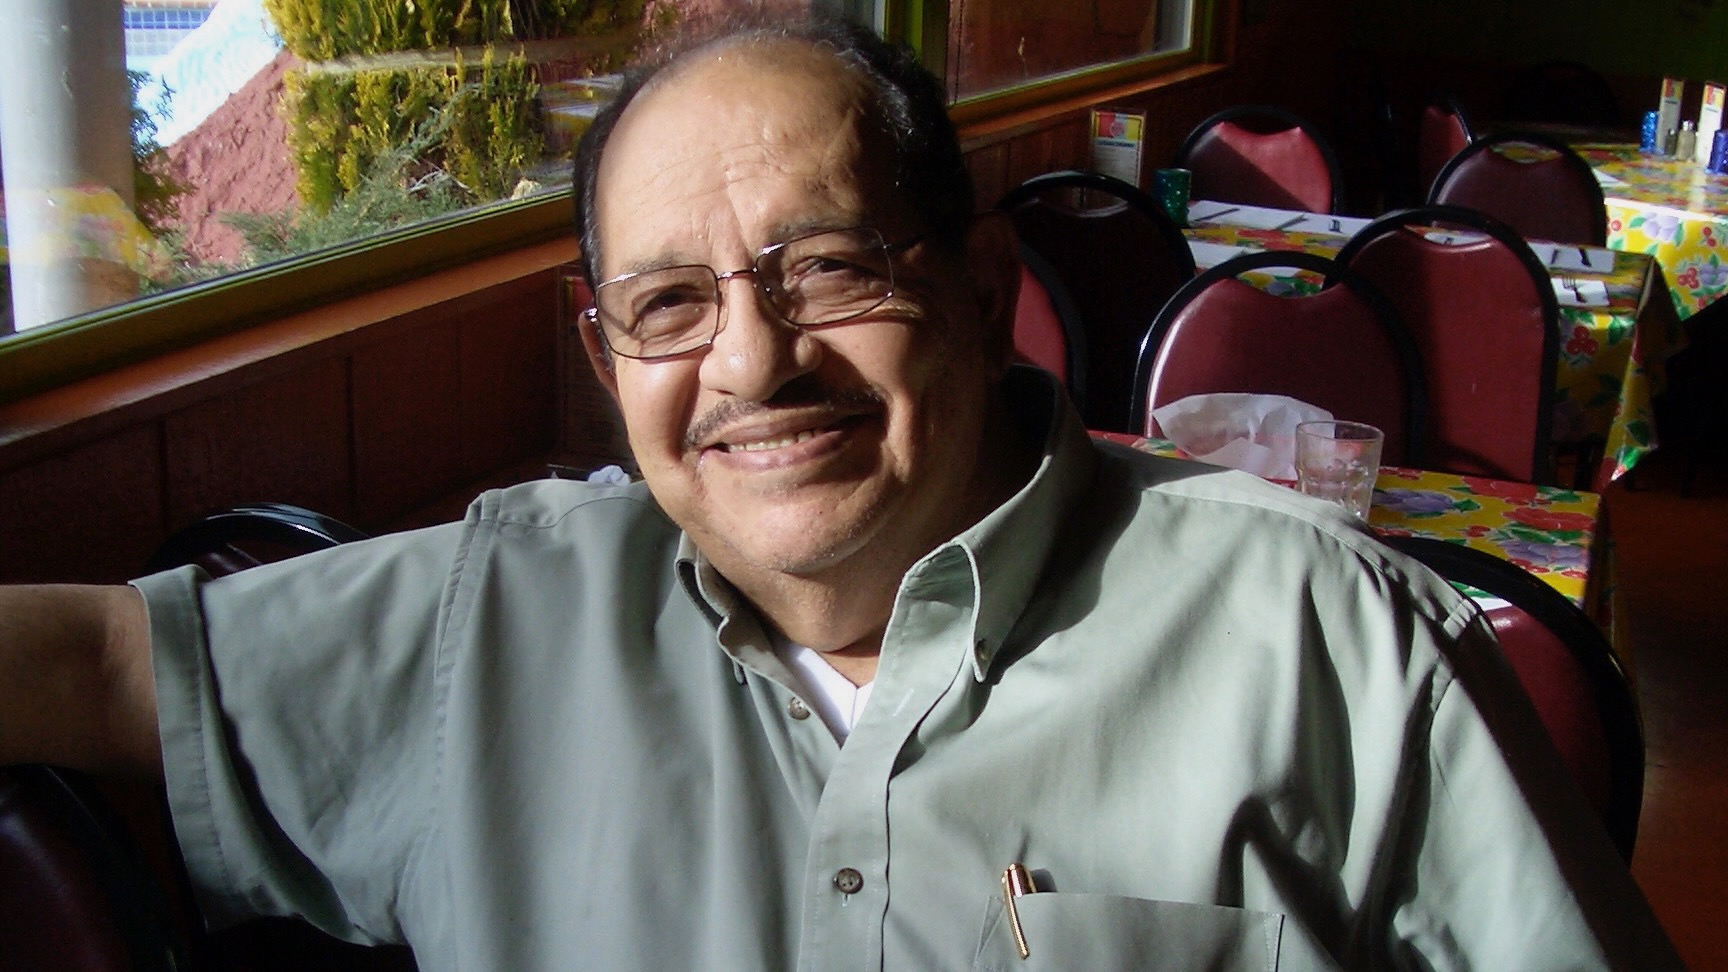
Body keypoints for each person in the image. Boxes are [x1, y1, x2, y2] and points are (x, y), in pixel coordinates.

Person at [0, 14, 1683, 971]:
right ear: (606, 360)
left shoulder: (1325, 638)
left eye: (827, 270)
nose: (750, 364)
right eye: (670, 304)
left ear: (979, 279)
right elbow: (96, 666)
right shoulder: (485, 618)